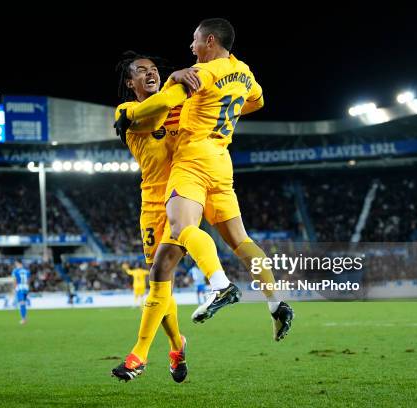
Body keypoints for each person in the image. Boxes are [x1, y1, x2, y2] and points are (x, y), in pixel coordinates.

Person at [115, 18, 293, 340]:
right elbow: (258, 100)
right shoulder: (244, 71)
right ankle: (276, 303)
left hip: (194, 157)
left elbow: (168, 101)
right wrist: (227, 109)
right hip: (222, 160)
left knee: (183, 228)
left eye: (195, 41)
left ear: (210, 41)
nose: (191, 48)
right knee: (241, 241)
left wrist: (133, 112)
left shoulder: (204, 73)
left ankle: (219, 285)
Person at [111, 52, 187, 383]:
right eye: (142, 71)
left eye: (155, 70)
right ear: (130, 83)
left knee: (161, 270)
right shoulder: (126, 111)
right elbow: (152, 115)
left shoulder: (177, 104)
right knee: (161, 280)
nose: (151, 73)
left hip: (181, 199)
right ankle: (177, 344)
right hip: (150, 203)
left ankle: (138, 355)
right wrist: (178, 81)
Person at [12, 259, 31, 324]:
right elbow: (28, 281)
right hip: (26, 287)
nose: (15, 265)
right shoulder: (27, 271)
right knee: (24, 303)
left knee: (22, 303)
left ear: (18, 263)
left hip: (19, 288)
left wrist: (15, 289)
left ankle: (23, 319)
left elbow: (15, 280)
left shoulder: (15, 271)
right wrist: (28, 289)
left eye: (16, 263)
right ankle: (25, 318)